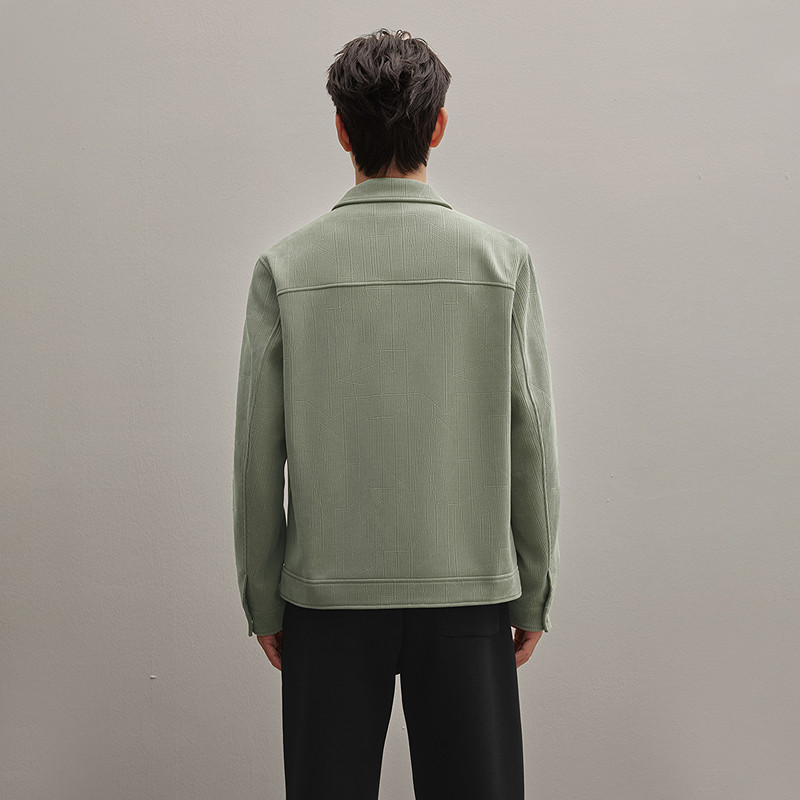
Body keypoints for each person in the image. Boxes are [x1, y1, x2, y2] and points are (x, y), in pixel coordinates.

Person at [232, 27, 561, 800]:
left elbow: (256, 451)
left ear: (341, 130)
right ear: (438, 126)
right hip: (470, 589)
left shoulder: (287, 267)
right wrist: (534, 588)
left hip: (326, 595)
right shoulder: (501, 263)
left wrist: (263, 597)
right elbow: (532, 441)